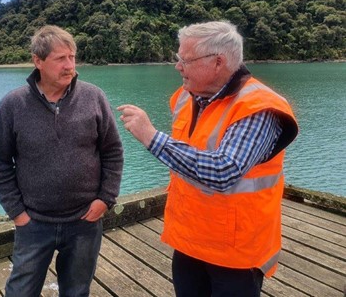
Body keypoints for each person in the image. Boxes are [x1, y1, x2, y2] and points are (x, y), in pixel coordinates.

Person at [118, 20, 298, 297]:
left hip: (236, 252)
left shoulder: (258, 107)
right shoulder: (185, 98)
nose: (178, 67)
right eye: (178, 58)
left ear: (218, 62)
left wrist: (151, 137)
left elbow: (223, 172)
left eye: (185, 60)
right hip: (190, 240)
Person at [0, 25, 124, 297]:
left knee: (76, 291)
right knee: (20, 291)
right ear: (38, 61)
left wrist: (105, 198)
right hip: (34, 222)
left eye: (72, 57)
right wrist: (18, 213)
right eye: (60, 58)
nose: (69, 65)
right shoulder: (13, 105)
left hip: (85, 221)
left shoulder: (94, 97)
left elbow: (113, 151)